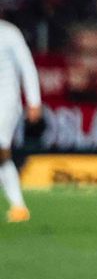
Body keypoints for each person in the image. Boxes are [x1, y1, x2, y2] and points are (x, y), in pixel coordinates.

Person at [0, 16, 42, 223]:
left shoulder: (9, 33)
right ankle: (18, 207)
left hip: (5, 102)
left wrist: (34, 101)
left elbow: (27, 67)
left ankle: (18, 206)